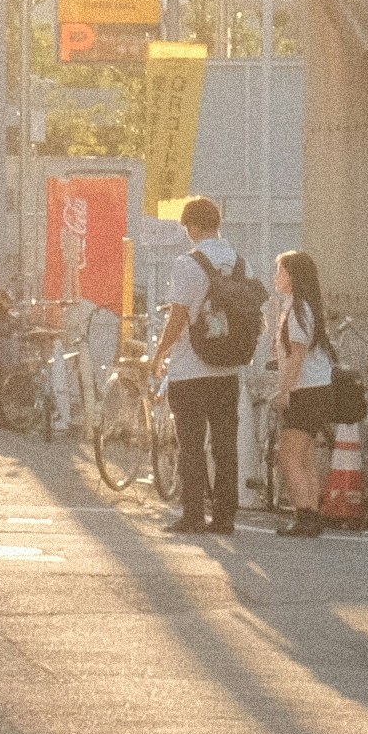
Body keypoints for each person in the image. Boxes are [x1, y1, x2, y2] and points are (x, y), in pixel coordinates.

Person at [146, 195, 261, 537]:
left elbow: (179, 315)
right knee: (226, 445)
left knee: (191, 444)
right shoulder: (242, 264)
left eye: (187, 228)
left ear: (193, 226)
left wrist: (160, 353)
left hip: (191, 368)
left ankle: (193, 514)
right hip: (228, 369)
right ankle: (225, 517)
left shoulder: (187, 263)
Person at [262, 249, 360, 535]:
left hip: (306, 391)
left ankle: (305, 515)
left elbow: (298, 354)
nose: (276, 276)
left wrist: (284, 391)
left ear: (293, 277)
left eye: (280, 271)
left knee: (288, 454)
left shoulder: (298, 309)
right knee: (304, 454)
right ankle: (311, 514)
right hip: (317, 390)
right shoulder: (299, 307)